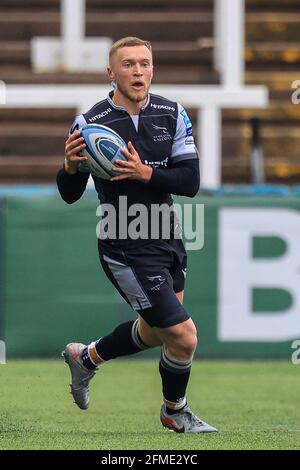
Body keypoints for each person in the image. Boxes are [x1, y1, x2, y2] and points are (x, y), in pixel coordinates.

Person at [57, 36, 217, 434]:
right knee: (182, 337)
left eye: (144, 63)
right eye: (127, 64)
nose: (138, 71)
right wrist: (71, 167)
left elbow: (191, 181)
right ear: (111, 73)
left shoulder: (172, 113)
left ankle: (87, 358)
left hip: (167, 235)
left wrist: (146, 172)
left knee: (153, 330)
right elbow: (69, 194)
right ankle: (173, 410)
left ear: (152, 69)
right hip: (124, 243)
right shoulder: (90, 123)